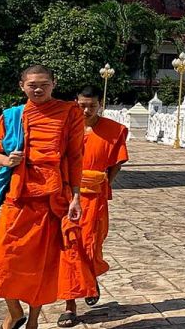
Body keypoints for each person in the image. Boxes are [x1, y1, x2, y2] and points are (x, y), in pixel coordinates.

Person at [0, 65, 84, 329]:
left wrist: (75, 196)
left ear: (54, 83)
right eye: (32, 85)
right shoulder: (11, 116)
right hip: (18, 198)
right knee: (4, 259)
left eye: (44, 84)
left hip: (50, 201)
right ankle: (15, 311)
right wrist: (8, 159)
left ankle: (34, 321)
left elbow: (74, 157)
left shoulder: (68, 112)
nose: (38, 89)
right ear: (22, 86)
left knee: (41, 266)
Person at [56, 86, 130, 327]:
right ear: (74, 102)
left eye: (91, 105)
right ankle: (69, 306)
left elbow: (116, 163)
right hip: (66, 197)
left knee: (89, 246)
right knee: (68, 248)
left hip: (94, 199)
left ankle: (89, 279)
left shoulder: (114, 130)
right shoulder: (65, 129)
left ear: (100, 104)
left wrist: (104, 183)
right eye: (81, 105)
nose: (86, 110)